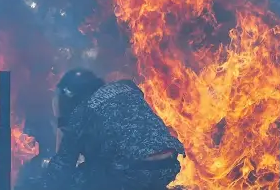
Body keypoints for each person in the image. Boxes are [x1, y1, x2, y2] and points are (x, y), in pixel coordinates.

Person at [39, 68, 184, 190]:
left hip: (135, 172)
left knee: (80, 178)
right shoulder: (127, 88)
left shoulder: (81, 113)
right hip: (169, 165)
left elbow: (62, 167)